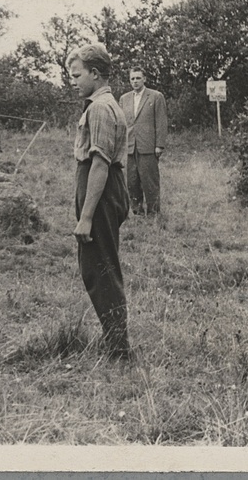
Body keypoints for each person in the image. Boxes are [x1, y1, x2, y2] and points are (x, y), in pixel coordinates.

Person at [68, 44, 131, 361]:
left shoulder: (100, 109)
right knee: (101, 267)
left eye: (77, 75)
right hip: (103, 191)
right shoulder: (103, 105)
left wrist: (86, 217)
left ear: (95, 73)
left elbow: (101, 164)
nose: (74, 81)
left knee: (101, 270)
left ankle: (120, 350)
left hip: (101, 192)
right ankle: (116, 341)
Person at [118, 67, 168, 215]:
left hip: (148, 147)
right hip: (130, 146)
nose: (135, 81)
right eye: (132, 78)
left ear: (144, 79)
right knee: (132, 182)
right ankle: (137, 212)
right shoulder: (124, 99)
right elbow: (122, 124)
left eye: (138, 78)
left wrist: (159, 145)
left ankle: (153, 213)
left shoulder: (155, 96)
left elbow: (161, 122)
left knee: (150, 182)